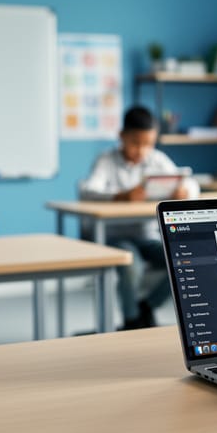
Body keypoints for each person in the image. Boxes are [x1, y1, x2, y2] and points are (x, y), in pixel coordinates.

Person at [80, 105, 199, 330]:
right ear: (122, 136)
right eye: (136, 143)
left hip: (146, 235)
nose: (142, 150)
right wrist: (121, 196)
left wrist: (185, 192)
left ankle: (147, 306)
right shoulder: (106, 160)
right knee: (130, 264)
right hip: (113, 236)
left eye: (148, 144)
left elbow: (189, 183)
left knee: (185, 260)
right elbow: (87, 191)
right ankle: (132, 321)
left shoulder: (157, 160)